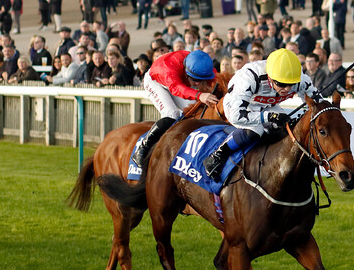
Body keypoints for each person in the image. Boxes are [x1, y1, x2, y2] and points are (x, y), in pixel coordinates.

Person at [203, 49, 322, 178]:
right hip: (239, 107)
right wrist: (268, 117)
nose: (287, 89)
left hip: (267, 106)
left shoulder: (300, 79)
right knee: (256, 130)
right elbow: (237, 115)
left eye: (291, 85)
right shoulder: (249, 77)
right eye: (282, 84)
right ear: (270, 77)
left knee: (287, 128)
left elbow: (319, 104)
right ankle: (218, 155)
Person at [132, 50, 219, 167]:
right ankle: (142, 149)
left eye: (200, 80)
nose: (197, 84)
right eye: (195, 80)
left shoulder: (205, 67)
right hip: (156, 81)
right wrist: (200, 95)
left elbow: (217, 80)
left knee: (196, 110)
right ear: (186, 71)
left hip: (177, 81)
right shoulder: (169, 69)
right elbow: (177, 89)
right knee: (172, 114)